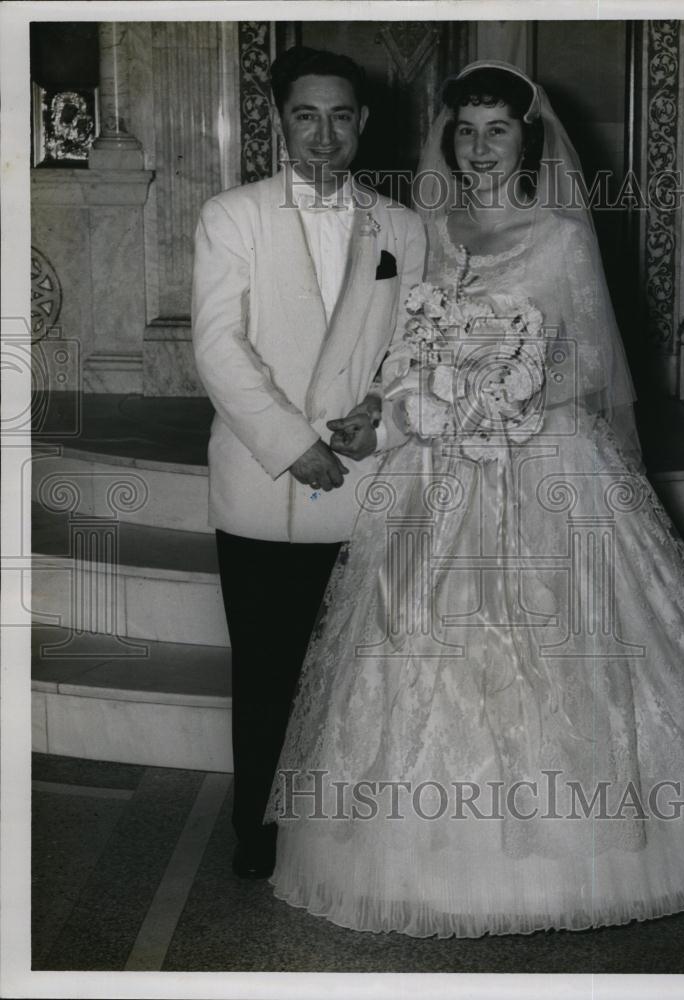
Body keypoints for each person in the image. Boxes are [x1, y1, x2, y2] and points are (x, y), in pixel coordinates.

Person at [265, 61, 684, 936]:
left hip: (542, 464)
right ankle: (422, 869)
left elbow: (588, 371)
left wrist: (494, 400)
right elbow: (402, 355)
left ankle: (575, 863)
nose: (477, 147)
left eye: (495, 130)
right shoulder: (426, 231)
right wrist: (388, 413)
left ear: (527, 138)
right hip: (435, 472)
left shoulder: (559, 237)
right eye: (464, 130)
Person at [191, 46, 426, 879]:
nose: (322, 134)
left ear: (362, 123)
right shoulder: (233, 215)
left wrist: (382, 421)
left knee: (355, 673)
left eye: (339, 116)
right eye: (304, 115)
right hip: (265, 486)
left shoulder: (402, 227)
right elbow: (219, 349)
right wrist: (295, 447)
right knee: (265, 674)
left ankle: (339, 837)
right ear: (279, 121)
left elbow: (411, 351)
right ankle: (259, 836)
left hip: (364, 486)